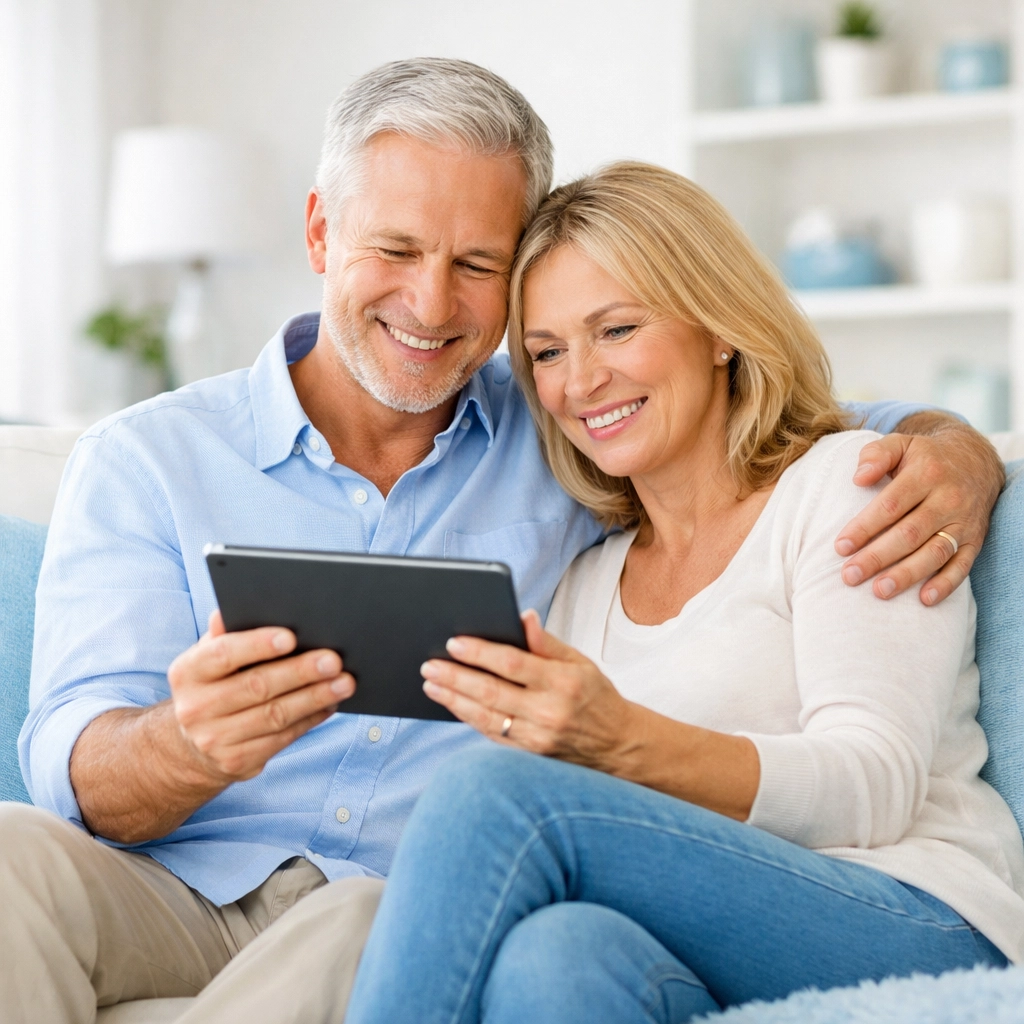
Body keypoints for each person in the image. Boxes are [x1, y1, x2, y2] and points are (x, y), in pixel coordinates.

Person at [1, 60, 1003, 1024]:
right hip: (173, 883)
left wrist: (957, 451)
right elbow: (69, 755)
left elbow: (801, 426)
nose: (431, 305)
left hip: (393, 902)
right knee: (11, 852)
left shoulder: (571, 442)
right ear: (320, 231)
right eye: (394, 249)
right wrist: (188, 743)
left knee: (376, 913)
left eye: (476, 264)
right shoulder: (148, 459)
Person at [344, 163, 1024, 1024]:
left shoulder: (846, 492)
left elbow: (874, 786)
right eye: (547, 352)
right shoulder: (588, 582)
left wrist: (620, 738)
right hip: (720, 938)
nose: (579, 382)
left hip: (917, 913)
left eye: (617, 329)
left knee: (488, 795)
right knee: (555, 962)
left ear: (718, 330)